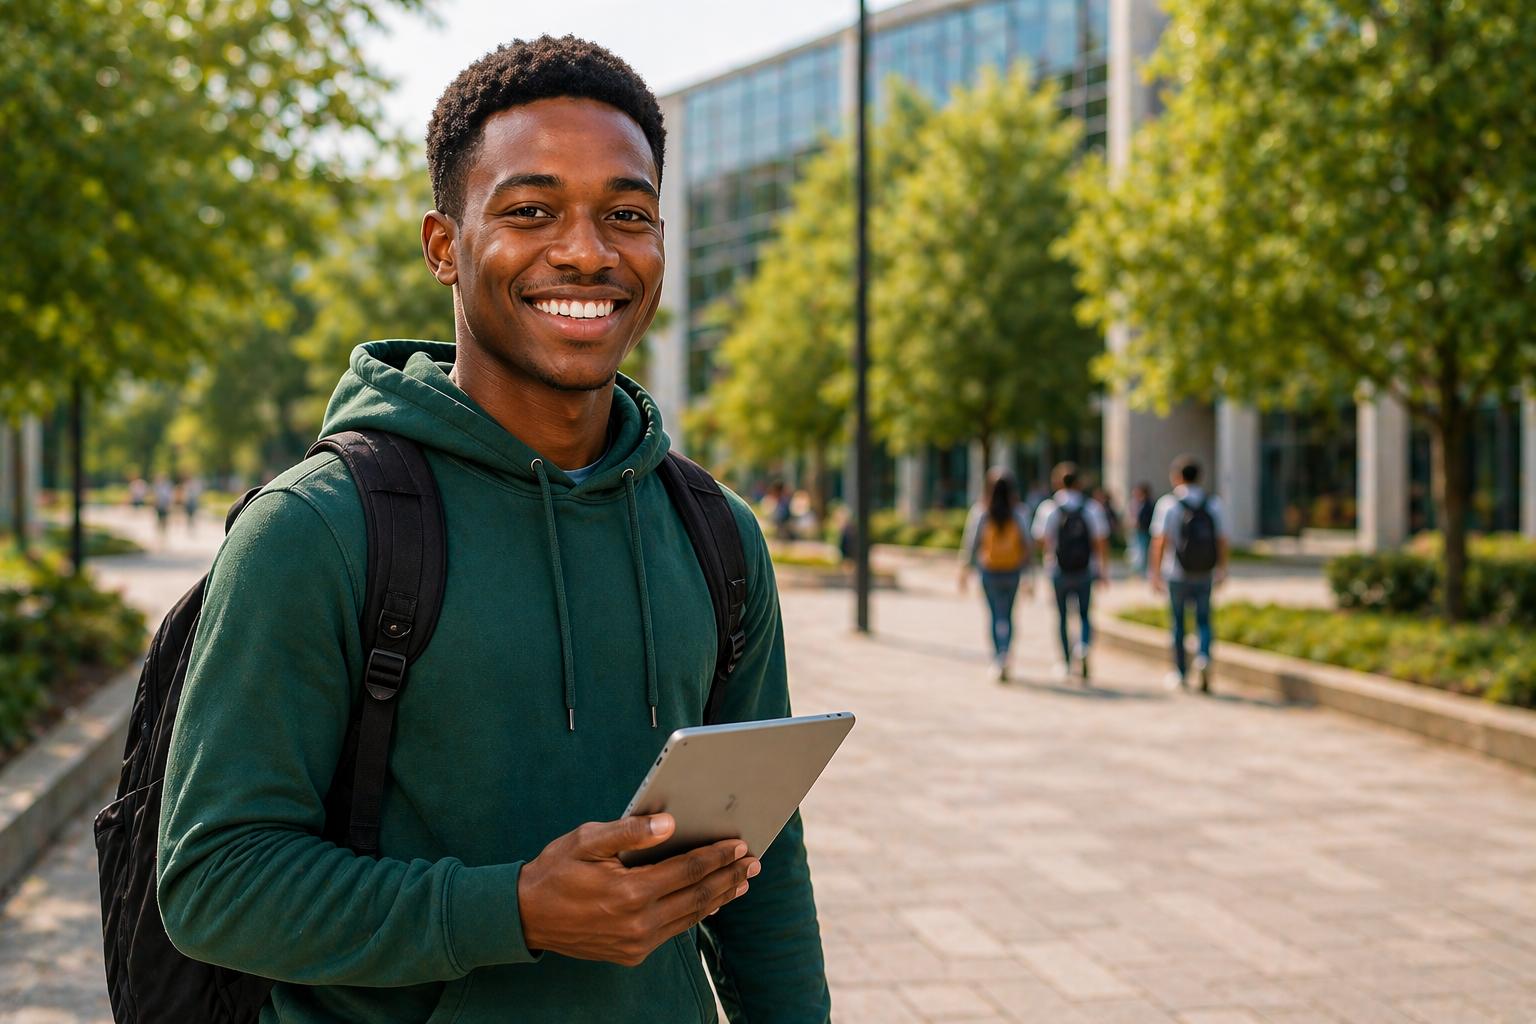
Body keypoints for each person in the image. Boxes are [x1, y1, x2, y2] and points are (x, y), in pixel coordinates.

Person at [157, 37, 829, 1023]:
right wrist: (509, 909)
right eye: (531, 211)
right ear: (444, 245)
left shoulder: (717, 535)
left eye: (628, 215)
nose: (588, 251)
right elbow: (213, 881)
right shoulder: (317, 529)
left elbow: (762, 870)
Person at [1149, 455, 1229, 692]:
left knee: (1178, 623)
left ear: (1176, 477)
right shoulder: (1213, 504)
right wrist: (1223, 568)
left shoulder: (1168, 504)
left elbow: (1159, 541)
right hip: (1205, 571)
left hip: (1176, 571)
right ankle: (1203, 656)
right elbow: (1222, 539)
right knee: (1204, 620)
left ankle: (1181, 672)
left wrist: (1155, 572)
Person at [1031, 462, 1110, 682]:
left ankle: (1066, 662)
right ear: (1079, 483)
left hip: (1058, 569)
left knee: (1062, 616)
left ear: (1057, 482)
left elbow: (1039, 539)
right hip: (1086, 569)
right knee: (1085, 614)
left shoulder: (1049, 508)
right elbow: (1101, 541)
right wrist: (1102, 570)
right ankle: (1083, 646)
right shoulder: (1091, 508)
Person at [958, 469, 1033, 682]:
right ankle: (1006, 653)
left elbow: (971, 543)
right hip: (1012, 570)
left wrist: (965, 569)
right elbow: (1027, 545)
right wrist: (1030, 576)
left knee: (994, 616)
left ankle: (997, 657)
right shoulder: (1019, 512)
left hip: (989, 570)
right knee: (1008, 616)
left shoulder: (981, 511)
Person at [1128, 482, 1155, 576]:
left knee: (1143, 551)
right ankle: (1139, 571)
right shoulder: (1138, 503)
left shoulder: (1148, 504)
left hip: (1145, 531)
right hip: (1140, 531)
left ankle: (1143, 571)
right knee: (1137, 551)